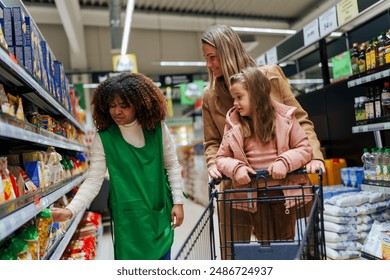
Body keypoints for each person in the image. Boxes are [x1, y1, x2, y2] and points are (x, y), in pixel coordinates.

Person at [51, 72, 185, 260]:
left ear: (139, 105)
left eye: (124, 105)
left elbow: (171, 165)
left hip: (158, 214)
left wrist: (178, 202)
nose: (116, 111)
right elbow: (93, 180)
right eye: (112, 105)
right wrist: (70, 210)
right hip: (127, 220)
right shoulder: (104, 138)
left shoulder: (158, 129)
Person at [201, 24, 325, 181]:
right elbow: (212, 142)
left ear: (228, 54)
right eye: (206, 59)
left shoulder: (270, 77)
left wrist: (315, 157)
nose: (208, 65)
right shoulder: (210, 96)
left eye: (212, 57)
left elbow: (300, 122)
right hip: (241, 190)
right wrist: (213, 165)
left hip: (287, 181)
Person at [215, 67, 313, 258]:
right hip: (255, 196)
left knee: (286, 239)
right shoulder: (234, 125)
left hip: (284, 192)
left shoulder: (284, 119)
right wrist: (236, 168)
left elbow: (304, 148)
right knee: (263, 240)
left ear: (257, 95)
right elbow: (221, 158)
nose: (234, 103)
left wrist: (284, 162)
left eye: (239, 97)